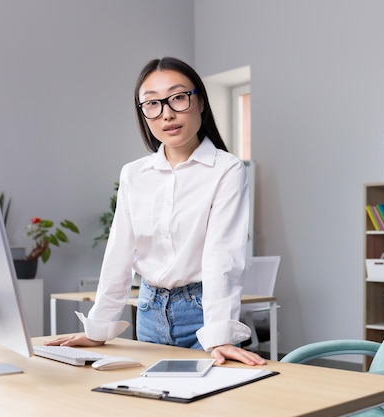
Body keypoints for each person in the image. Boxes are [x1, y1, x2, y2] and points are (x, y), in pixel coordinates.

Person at [46, 57, 266, 366]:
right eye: (152, 104)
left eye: (177, 98)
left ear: (200, 101)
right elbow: (118, 254)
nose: (167, 114)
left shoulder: (226, 169)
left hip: (202, 314)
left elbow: (222, 258)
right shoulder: (134, 174)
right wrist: (98, 328)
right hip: (149, 310)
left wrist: (220, 336)